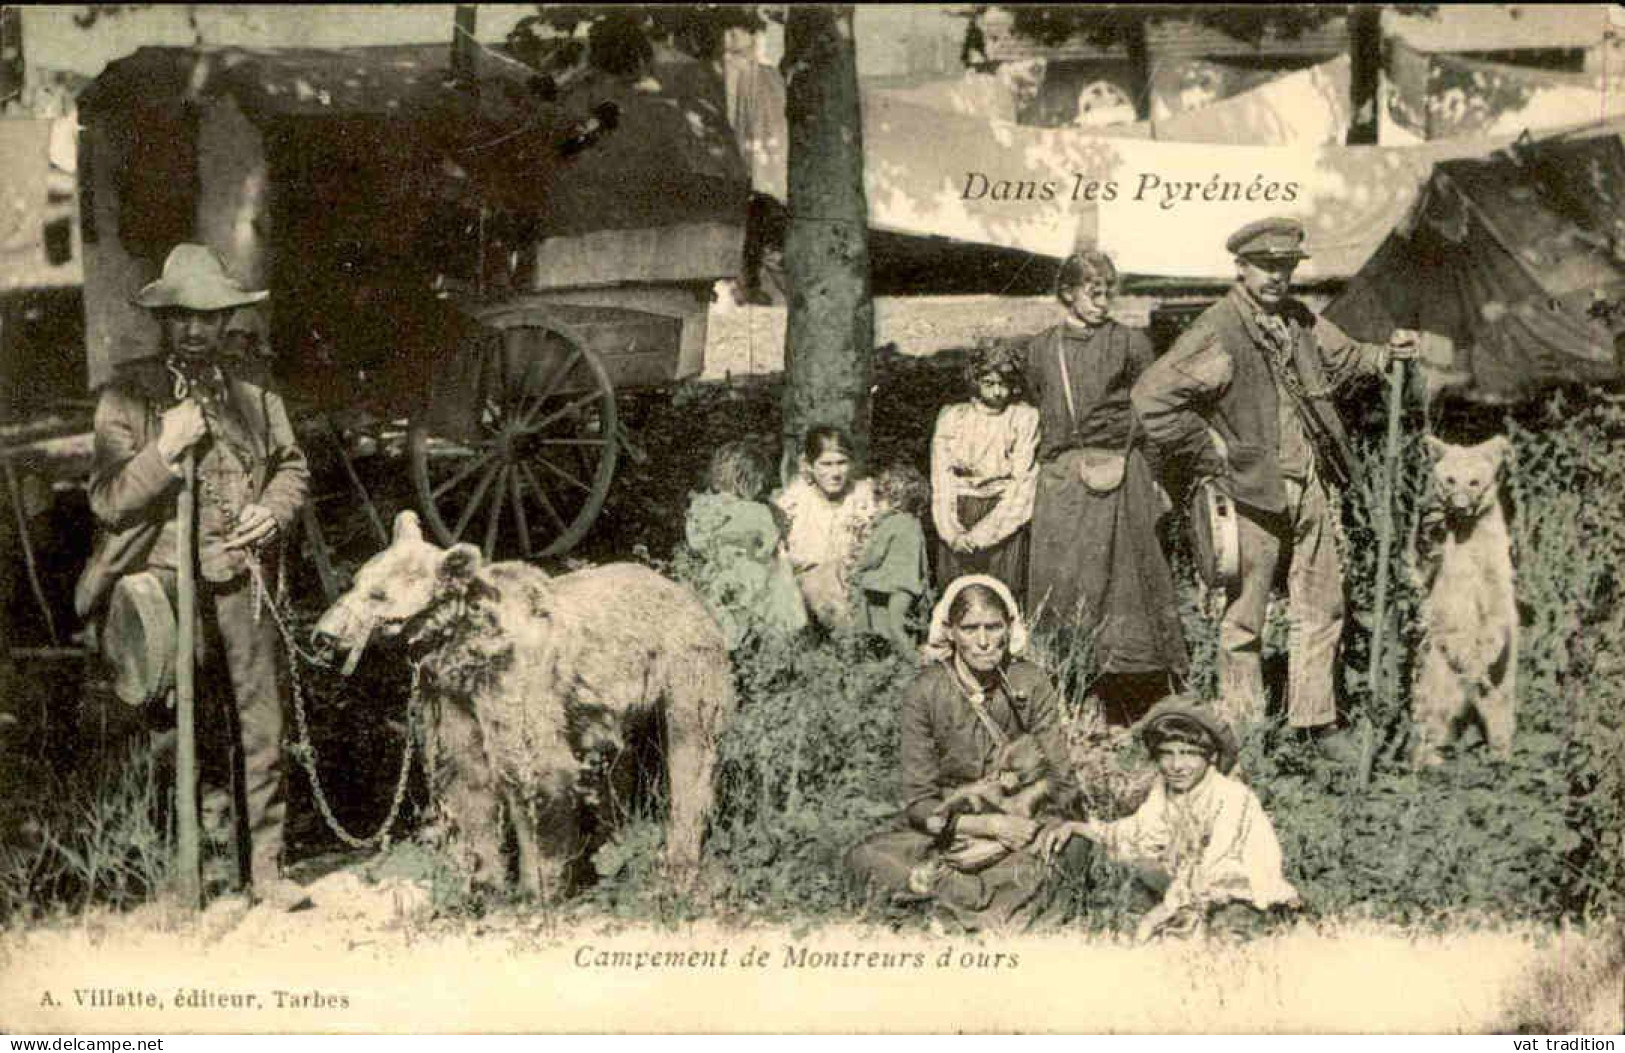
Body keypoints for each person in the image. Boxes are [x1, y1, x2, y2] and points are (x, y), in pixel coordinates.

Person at [74, 244, 310, 908]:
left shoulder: (254, 387)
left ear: (227, 318)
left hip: (242, 575)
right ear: (163, 320)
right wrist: (164, 447)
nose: (195, 330)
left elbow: (292, 465)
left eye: (208, 316)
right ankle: (194, 865)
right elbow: (109, 498)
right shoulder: (128, 393)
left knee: (260, 719)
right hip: (165, 582)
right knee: (175, 724)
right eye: (181, 317)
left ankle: (264, 865)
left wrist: (272, 509)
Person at [1130, 217, 1419, 756]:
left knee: (1323, 603)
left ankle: (1315, 722)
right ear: (1240, 268)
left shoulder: (1299, 320)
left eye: (1285, 267)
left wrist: (1388, 355)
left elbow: (1350, 357)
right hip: (1250, 490)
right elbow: (1151, 400)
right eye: (1266, 267)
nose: (1276, 277)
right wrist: (1207, 450)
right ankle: (1244, 732)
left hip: (1309, 482)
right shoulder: (1218, 329)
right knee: (1245, 618)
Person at [847, 576, 1092, 932]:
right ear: (950, 632)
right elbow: (919, 800)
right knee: (864, 856)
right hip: (953, 831)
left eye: (993, 628)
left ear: (1009, 628)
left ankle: (949, 903)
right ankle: (995, 907)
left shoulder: (1031, 681)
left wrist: (1019, 829)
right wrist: (988, 827)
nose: (982, 641)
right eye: (969, 628)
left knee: (1073, 849)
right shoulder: (925, 691)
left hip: (1022, 830)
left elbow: (1061, 779)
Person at [1020, 249, 1188, 725]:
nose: (1102, 300)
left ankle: (1134, 696)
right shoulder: (1040, 349)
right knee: (1067, 580)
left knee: (1125, 583)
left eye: (1108, 291)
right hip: (1063, 481)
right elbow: (1043, 399)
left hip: (1121, 471)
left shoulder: (1132, 344)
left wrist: (1147, 472)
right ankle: (1073, 689)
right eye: (1092, 291)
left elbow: (1152, 407)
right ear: (1067, 293)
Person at [1038, 697, 1300, 942]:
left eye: (1188, 753)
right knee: (1130, 883)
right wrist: (1078, 826)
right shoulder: (1164, 792)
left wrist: (1160, 913)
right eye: (1167, 753)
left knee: (1225, 928)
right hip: (1185, 889)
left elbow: (1215, 865)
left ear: (1210, 756)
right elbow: (1134, 832)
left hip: (1234, 890)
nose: (1176, 765)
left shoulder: (1232, 797)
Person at [930, 339, 1039, 608]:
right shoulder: (953, 417)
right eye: (989, 383)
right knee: (957, 595)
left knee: (1001, 595)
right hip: (959, 510)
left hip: (1001, 514)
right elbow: (941, 478)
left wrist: (984, 534)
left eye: (1004, 383)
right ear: (975, 381)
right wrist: (951, 531)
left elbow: (1022, 482)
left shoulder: (1022, 417)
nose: (997, 391)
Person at [684, 440, 808, 648]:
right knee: (772, 612)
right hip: (754, 576)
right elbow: (770, 542)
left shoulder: (703, 508)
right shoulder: (755, 512)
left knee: (725, 620)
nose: (761, 487)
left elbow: (696, 543)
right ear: (746, 480)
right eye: (760, 481)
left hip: (719, 574)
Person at [772, 425, 876, 629]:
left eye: (841, 463)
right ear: (809, 465)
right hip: (805, 594)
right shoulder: (794, 503)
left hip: (856, 588)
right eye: (826, 464)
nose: (835, 473)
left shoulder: (863, 497)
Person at [851, 464, 931, 655]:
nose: (876, 507)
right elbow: (923, 559)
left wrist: (859, 566)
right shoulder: (914, 524)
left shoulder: (890, 524)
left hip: (891, 584)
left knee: (892, 625)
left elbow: (875, 554)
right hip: (908, 586)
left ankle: (913, 662)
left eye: (879, 501)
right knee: (899, 623)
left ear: (893, 502)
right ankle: (899, 658)